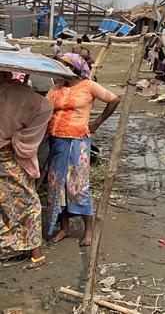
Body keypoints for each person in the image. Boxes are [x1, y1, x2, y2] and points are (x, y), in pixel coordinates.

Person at [46, 53, 120, 246]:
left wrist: (96, 123)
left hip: (77, 140)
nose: (60, 69)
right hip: (56, 140)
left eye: (63, 65)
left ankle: (88, 231)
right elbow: (44, 109)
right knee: (57, 185)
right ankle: (64, 228)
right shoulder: (55, 88)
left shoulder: (88, 86)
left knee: (78, 185)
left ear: (73, 67)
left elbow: (114, 100)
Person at [0, 71, 53, 268]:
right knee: (29, 202)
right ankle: (34, 251)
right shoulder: (30, 99)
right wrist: (19, 139)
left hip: (7, 157)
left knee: (9, 204)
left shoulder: (14, 94)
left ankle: (18, 247)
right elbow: (46, 106)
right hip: (10, 157)